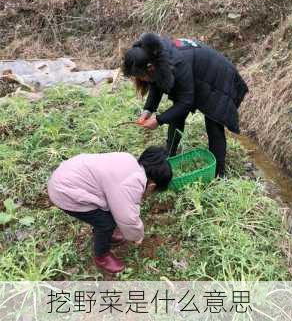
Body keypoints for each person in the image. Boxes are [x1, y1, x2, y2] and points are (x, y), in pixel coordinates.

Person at [122, 33, 249, 177]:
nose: (140, 79)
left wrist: (159, 120)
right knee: (176, 115)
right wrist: (148, 110)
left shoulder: (177, 63)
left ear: (150, 67)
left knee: (213, 123)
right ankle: (169, 155)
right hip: (199, 74)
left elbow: (186, 102)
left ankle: (219, 174)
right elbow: (156, 83)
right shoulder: (155, 56)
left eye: (140, 76)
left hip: (219, 78)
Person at [47, 146, 172, 274]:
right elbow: (127, 218)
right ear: (152, 186)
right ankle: (101, 256)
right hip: (65, 192)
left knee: (109, 212)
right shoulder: (131, 184)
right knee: (106, 223)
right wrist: (137, 235)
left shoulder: (129, 160)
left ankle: (106, 235)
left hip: (67, 176)